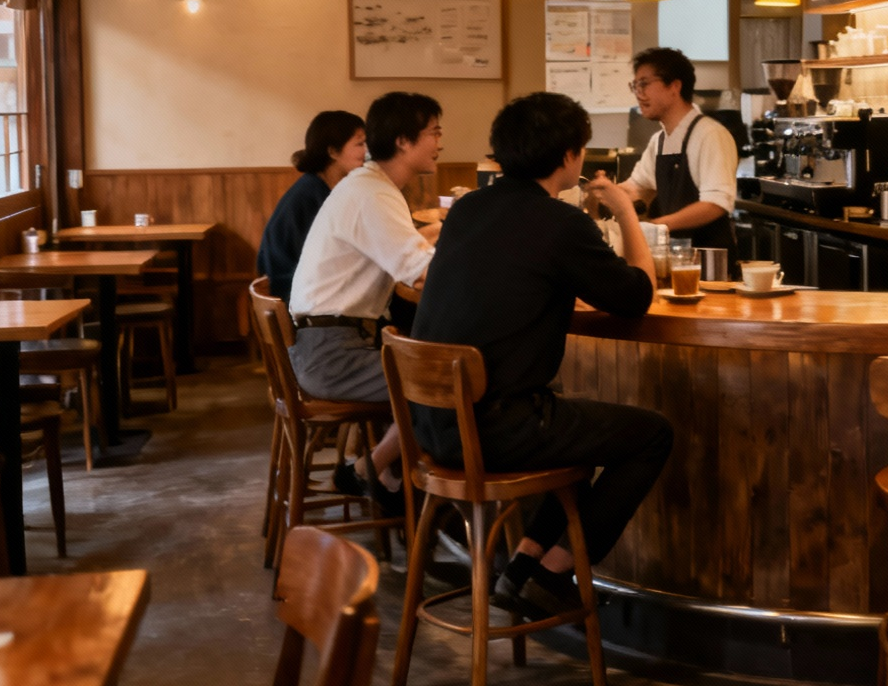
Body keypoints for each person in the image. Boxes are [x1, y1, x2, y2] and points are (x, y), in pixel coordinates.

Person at [411, 92, 669, 618]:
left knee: (574, 429)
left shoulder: (468, 209)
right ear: (569, 155)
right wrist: (626, 211)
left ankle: (525, 565)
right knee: (651, 436)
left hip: (432, 427)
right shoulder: (559, 222)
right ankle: (553, 574)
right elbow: (636, 296)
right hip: (494, 431)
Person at [289, 92, 443, 506]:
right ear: (403, 141)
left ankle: (380, 474)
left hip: (326, 345)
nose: (440, 142)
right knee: (441, 385)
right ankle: (372, 472)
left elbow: (404, 251)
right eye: (434, 132)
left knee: (437, 377)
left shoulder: (368, 186)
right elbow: (421, 273)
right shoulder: (373, 193)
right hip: (332, 354)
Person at [616, 47, 739, 256]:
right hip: (677, 258)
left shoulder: (710, 134)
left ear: (674, 86)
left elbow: (715, 204)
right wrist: (603, 193)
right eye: (635, 86)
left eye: (644, 84)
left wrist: (656, 227)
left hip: (710, 263)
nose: (639, 94)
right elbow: (637, 188)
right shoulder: (659, 141)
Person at [257, 111, 367, 305]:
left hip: (310, 291)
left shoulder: (324, 188)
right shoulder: (310, 195)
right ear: (333, 152)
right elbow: (324, 264)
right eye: (360, 144)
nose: (367, 151)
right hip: (299, 298)